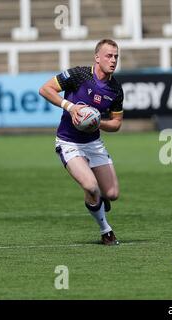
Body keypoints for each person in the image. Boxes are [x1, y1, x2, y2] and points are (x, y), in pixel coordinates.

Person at [39, 39, 124, 244]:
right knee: (91, 187)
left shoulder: (115, 89)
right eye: (108, 56)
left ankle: (101, 199)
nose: (113, 60)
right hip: (69, 143)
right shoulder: (79, 75)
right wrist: (71, 107)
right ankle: (106, 230)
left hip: (94, 144)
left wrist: (96, 122)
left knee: (112, 194)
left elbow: (116, 123)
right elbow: (45, 89)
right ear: (97, 57)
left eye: (116, 56)